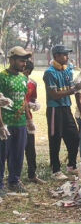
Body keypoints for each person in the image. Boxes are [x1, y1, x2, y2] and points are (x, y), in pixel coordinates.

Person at [44, 45, 81, 180]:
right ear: (56, 56)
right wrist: (74, 90)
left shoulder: (68, 69)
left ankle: (71, 166)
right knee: (55, 139)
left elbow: (71, 85)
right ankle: (56, 170)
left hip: (66, 107)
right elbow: (54, 94)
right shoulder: (50, 73)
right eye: (64, 54)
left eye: (67, 54)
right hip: (54, 109)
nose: (67, 57)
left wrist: (79, 85)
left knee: (74, 137)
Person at [0, 47, 33, 194]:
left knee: (18, 154)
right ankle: (0, 186)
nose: (24, 64)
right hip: (5, 123)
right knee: (2, 155)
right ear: (11, 60)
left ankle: (14, 181)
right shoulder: (2, 77)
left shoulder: (23, 78)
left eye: (25, 61)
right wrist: (1, 126)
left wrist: (29, 119)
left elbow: (24, 100)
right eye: (21, 60)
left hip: (20, 123)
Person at [23, 60, 45, 184]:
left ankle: (32, 175)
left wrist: (34, 104)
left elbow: (32, 98)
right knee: (13, 149)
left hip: (28, 119)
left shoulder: (32, 84)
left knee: (30, 148)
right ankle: (12, 177)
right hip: (13, 119)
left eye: (26, 71)